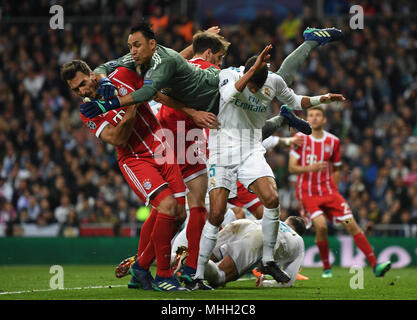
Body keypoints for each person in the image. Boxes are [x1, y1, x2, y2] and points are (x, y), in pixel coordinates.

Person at [193, 43, 346, 289]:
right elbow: (229, 95)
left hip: (251, 149)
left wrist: (322, 99)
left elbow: (295, 100)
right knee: (216, 213)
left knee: (272, 199)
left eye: (257, 86)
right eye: (253, 84)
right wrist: (251, 71)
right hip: (222, 151)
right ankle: (198, 276)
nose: (254, 90)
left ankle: (267, 259)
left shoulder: (272, 81)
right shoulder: (229, 74)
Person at [60, 60, 189, 291]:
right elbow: (118, 139)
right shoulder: (87, 111)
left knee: (179, 214)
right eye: (75, 89)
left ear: (92, 74)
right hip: (135, 159)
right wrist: (131, 102)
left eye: (82, 84)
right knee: (168, 206)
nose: (82, 92)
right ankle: (163, 276)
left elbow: (158, 61)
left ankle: (140, 266)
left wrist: (195, 46)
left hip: (161, 148)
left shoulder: (121, 75)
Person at [288, 106, 392, 278]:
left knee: (351, 224)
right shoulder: (300, 139)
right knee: (321, 226)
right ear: (307, 119)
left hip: (329, 193)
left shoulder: (334, 142)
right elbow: (292, 167)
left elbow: (336, 169)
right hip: (308, 193)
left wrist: (334, 189)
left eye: (317, 115)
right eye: (311, 115)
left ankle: (375, 266)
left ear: (324, 120)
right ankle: (327, 267)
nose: (314, 118)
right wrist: (310, 167)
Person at [172, 216, 306, 289]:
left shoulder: (276, 221)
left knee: (205, 254)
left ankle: (170, 259)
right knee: (219, 278)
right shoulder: (299, 241)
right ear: (298, 232)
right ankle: (185, 259)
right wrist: (265, 282)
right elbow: (287, 282)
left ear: (287, 221)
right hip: (260, 238)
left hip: (243, 224)